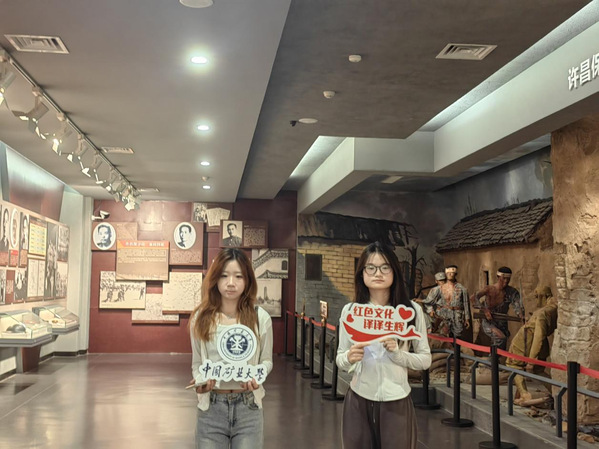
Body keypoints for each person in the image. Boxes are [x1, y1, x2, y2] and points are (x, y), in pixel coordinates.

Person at [336, 241, 431, 449]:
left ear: (394, 271)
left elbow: (425, 360)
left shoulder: (412, 311)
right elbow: (340, 358)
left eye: (385, 267)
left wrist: (398, 354)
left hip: (397, 400)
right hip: (358, 398)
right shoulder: (351, 311)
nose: (378, 273)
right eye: (370, 267)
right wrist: (349, 358)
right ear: (362, 273)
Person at [190, 248, 273, 448]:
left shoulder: (260, 318)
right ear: (215, 279)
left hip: (248, 408)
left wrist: (257, 377)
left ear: (248, 280)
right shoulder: (200, 318)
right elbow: (197, 363)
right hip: (211, 408)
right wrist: (201, 381)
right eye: (224, 275)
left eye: (238, 276)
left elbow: (266, 361)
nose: (230, 283)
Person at [506, 285, 557, 405]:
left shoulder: (542, 314)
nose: (536, 300)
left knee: (513, 364)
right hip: (537, 340)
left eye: (537, 297)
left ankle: (525, 395)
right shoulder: (554, 308)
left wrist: (531, 360)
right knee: (539, 370)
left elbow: (538, 336)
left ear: (543, 296)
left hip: (527, 340)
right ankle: (556, 392)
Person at [471, 266, 524, 349]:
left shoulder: (511, 292)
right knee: (500, 337)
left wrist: (521, 315)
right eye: (503, 278)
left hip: (502, 322)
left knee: (502, 345)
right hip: (489, 321)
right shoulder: (489, 289)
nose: (506, 281)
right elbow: (474, 297)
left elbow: (517, 305)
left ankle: (495, 356)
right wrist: (485, 310)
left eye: (508, 279)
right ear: (498, 277)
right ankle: (492, 356)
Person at [422, 265, 470, 337]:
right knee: (443, 335)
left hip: (457, 316)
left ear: (455, 274)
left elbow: (466, 304)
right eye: (448, 273)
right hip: (443, 315)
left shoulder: (462, 289)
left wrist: (467, 318)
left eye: (452, 273)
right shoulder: (439, 288)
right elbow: (429, 301)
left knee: (457, 336)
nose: (450, 274)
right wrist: (431, 310)